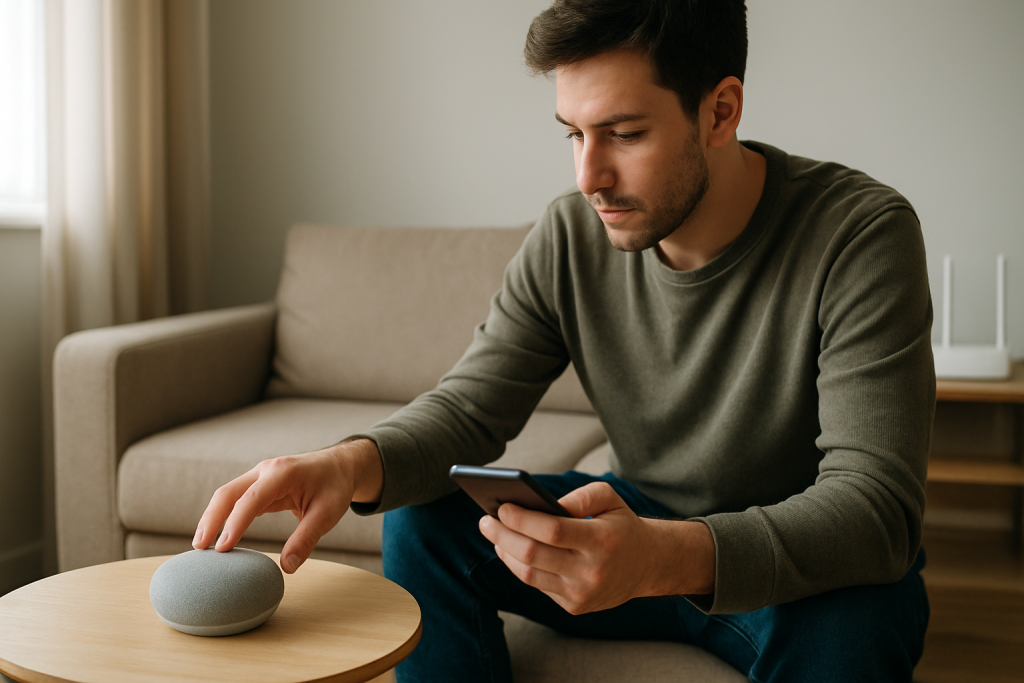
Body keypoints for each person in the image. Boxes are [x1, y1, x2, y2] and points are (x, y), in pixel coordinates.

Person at [193, 1, 935, 680]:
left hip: (790, 561)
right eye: (574, 134)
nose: (589, 176)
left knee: (861, 623)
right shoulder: (568, 237)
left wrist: (661, 558)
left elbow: (875, 507)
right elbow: (470, 408)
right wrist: (348, 462)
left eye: (625, 134)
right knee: (421, 518)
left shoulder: (859, 235)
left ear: (721, 110)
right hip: (638, 515)